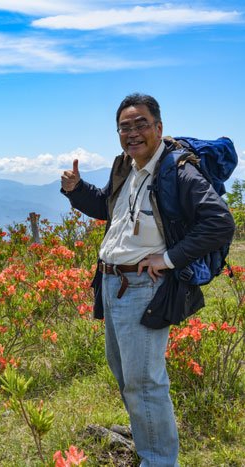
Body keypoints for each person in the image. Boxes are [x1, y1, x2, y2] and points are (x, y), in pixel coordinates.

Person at [60, 93, 235, 466]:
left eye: (141, 124)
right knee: (127, 377)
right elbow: (107, 206)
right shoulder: (126, 167)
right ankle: (150, 450)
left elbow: (220, 223)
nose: (132, 133)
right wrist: (76, 190)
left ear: (159, 127)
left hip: (143, 288)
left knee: (144, 382)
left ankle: (158, 460)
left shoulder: (178, 170)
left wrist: (169, 258)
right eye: (125, 127)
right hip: (111, 285)